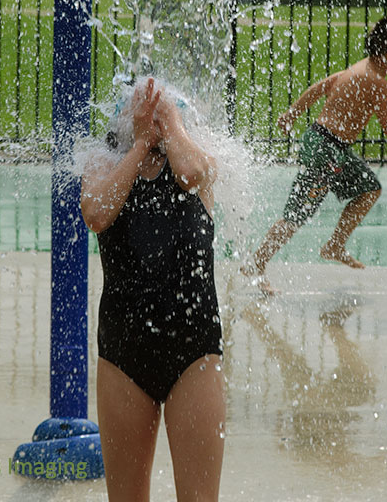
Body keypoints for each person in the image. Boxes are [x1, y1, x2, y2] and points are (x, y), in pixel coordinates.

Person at [81, 77, 225, 502]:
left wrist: (173, 124)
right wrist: (140, 145)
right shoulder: (100, 162)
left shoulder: (198, 159)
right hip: (124, 352)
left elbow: (192, 172)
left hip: (193, 350)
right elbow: (97, 213)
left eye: (160, 112)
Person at [242, 15, 387, 293]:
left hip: (326, 144)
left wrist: (293, 112)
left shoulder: (359, 69)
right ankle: (258, 262)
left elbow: (320, 88)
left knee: (369, 188)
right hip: (327, 149)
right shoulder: (377, 82)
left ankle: (336, 244)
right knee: (297, 214)